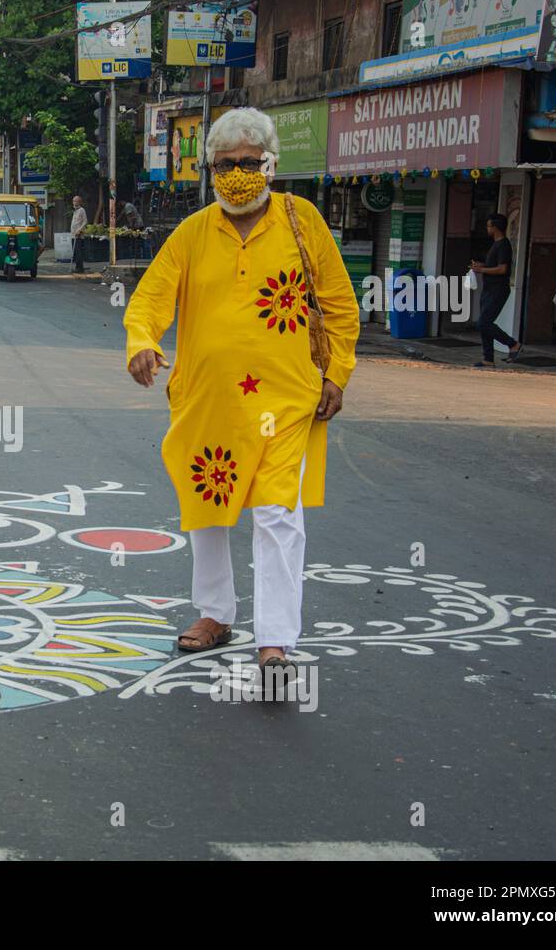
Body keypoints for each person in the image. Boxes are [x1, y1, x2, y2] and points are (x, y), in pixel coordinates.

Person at [123, 107, 360, 684]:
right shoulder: (194, 230)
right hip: (207, 398)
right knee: (208, 506)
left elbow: (340, 303)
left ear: (270, 165)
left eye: (247, 163)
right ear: (210, 170)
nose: (236, 174)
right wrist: (142, 341)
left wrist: (338, 373)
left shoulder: (302, 221)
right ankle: (215, 615)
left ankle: (275, 638)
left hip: (286, 399)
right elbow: (153, 294)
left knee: (279, 513)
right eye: (224, 165)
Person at [470, 213, 523, 367]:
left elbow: (502, 269)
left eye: (488, 226)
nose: (487, 228)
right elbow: (494, 265)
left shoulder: (504, 245)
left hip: (498, 289)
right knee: (485, 324)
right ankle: (488, 358)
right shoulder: (496, 244)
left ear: (495, 227)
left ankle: (513, 344)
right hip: (488, 288)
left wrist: (482, 271)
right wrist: (481, 266)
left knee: (483, 323)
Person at [71, 195, 88, 273]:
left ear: (80, 202)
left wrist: (79, 230)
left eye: (76, 201)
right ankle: (77, 266)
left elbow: (85, 221)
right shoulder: (75, 210)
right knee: (75, 252)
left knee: (78, 252)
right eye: (74, 201)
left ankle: (80, 268)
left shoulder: (81, 210)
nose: (75, 202)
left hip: (79, 235)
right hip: (73, 234)